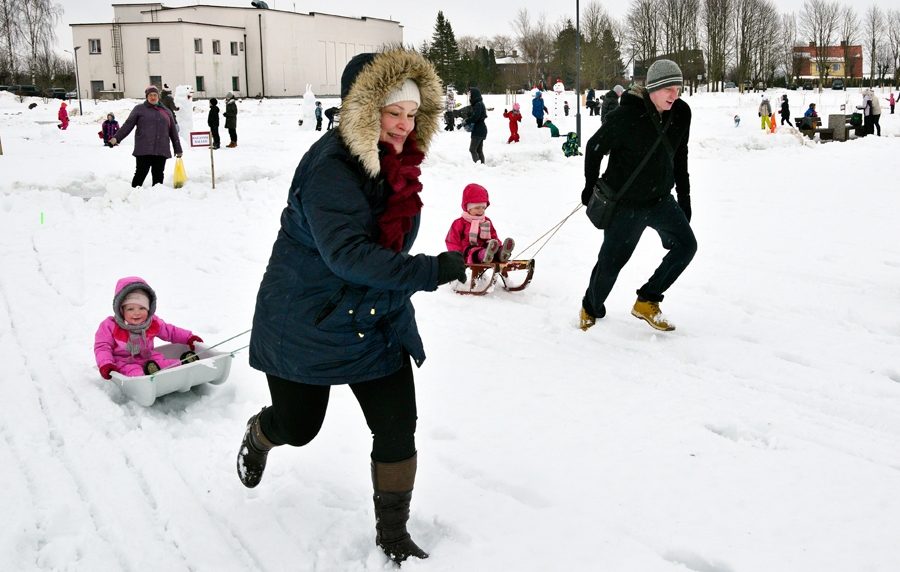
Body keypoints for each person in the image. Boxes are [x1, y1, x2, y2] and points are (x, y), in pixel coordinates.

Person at [239, 49, 466, 565]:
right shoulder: (331, 167)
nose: (405, 127)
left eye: (413, 115)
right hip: (305, 320)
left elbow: (384, 252)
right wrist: (431, 270)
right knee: (300, 427)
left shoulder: (397, 168)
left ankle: (393, 535)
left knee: (396, 426)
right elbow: (349, 255)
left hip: (372, 317)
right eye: (393, 113)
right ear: (362, 110)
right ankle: (260, 433)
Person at [579, 59, 696, 332]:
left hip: (660, 200)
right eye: (668, 89)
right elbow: (594, 147)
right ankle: (590, 307)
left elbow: (680, 156)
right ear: (653, 88)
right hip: (625, 205)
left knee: (686, 246)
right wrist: (589, 187)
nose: (674, 95)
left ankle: (648, 299)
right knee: (610, 265)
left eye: (678, 88)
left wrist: (685, 199)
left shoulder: (681, 114)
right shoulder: (626, 117)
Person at [94, 276, 202, 379]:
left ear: (149, 308)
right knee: (134, 372)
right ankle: (146, 378)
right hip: (124, 362)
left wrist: (189, 338)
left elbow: (170, 331)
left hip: (149, 358)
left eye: (142, 308)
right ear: (121, 310)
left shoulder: (152, 322)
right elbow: (103, 346)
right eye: (130, 309)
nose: (137, 313)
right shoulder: (110, 325)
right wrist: (106, 364)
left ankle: (184, 364)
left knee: (163, 364)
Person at [108, 86, 183, 188]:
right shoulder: (139, 109)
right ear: (147, 97)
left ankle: (157, 197)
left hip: (161, 149)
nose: (153, 97)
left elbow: (173, 132)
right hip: (144, 148)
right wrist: (116, 138)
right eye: (150, 95)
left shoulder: (166, 111)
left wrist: (177, 149)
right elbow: (128, 125)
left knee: (158, 175)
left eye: (155, 95)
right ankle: (134, 194)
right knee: (140, 173)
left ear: (158, 96)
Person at [445, 183, 515, 264]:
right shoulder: (459, 223)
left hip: (486, 247)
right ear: (468, 208)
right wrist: (457, 255)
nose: (481, 211)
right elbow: (452, 241)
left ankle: (500, 252)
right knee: (473, 250)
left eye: (483, 208)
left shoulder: (486, 221)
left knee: (490, 246)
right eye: (477, 208)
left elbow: (493, 236)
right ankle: (484, 254)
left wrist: (497, 244)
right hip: (468, 250)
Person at [465, 87, 487, 164]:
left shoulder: (478, 104)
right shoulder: (479, 104)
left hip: (479, 129)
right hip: (481, 129)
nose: (470, 98)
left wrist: (467, 121)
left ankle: (477, 165)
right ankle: (482, 165)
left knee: (472, 149)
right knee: (479, 150)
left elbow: (475, 117)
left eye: (471, 96)